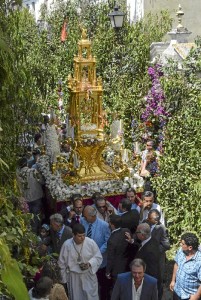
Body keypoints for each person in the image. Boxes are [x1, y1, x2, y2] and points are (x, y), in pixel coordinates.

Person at [58, 223, 103, 300]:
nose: (82, 238)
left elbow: (98, 257)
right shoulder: (67, 245)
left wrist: (89, 263)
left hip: (88, 275)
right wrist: (64, 280)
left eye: (83, 235)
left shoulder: (90, 242)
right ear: (73, 235)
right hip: (74, 277)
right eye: (79, 236)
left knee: (91, 297)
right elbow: (61, 264)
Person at [81, 205, 111, 300]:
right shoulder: (83, 221)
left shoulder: (104, 225)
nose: (84, 218)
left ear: (92, 216)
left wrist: (97, 253)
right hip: (86, 259)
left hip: (100, 262)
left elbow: (108, 242)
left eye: (85, 217)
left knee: (103, 286)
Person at [126, 223, 161, 299]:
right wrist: (132, 241)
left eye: (137, 232)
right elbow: (142, 246)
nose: (135, 233)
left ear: (142, 235)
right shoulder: (151, 240)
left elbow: (152, 271)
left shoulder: (150, 251)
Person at [16, 157, 44, 234]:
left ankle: (29, 234)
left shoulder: (17, 175)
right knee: (36, 216)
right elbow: (41, 181)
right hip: (36, 197)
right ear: (27, 164)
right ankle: (36, 233)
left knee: (28, 218)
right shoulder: (33, 171)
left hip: (25, 199)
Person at [169, 232, 201, 300]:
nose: (180, 245)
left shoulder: (199, 261)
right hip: (177, 291)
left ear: (190, 247)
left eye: (183, 244)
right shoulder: (181, 251)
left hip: (188, 297)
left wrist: (196, 296)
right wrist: (173, 280)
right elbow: (176, 264)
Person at [144, 209, 170, 283]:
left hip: (157, 257)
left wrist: (155, 250)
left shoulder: (162, 229)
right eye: (148, 218)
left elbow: (166, 245)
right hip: (146, 256)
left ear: (156, 220)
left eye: (149, 218)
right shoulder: (146, 222)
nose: (147, 219)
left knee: (157, 276)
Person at [106, 215, 131, 283]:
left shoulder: (111, 241)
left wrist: (108, 271)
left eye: (109, 222)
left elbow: (110, 257)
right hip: (127, 265)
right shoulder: (126, 231)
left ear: (112, 225)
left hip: (117, 269)